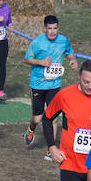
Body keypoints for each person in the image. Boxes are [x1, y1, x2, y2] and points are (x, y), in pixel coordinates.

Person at [23, 14, 77, 147]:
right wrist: (40, 62)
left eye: (55, 28)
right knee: (38, 117)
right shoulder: (37, 43)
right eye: (50, 28)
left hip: (54, 84)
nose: (52, 31)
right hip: (38, 84)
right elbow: (27, 59)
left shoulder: (63, 41)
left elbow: (70, 53)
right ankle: (31, 128)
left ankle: (50, 147)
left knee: (52, 117)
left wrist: (73, 60)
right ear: (44, 28)